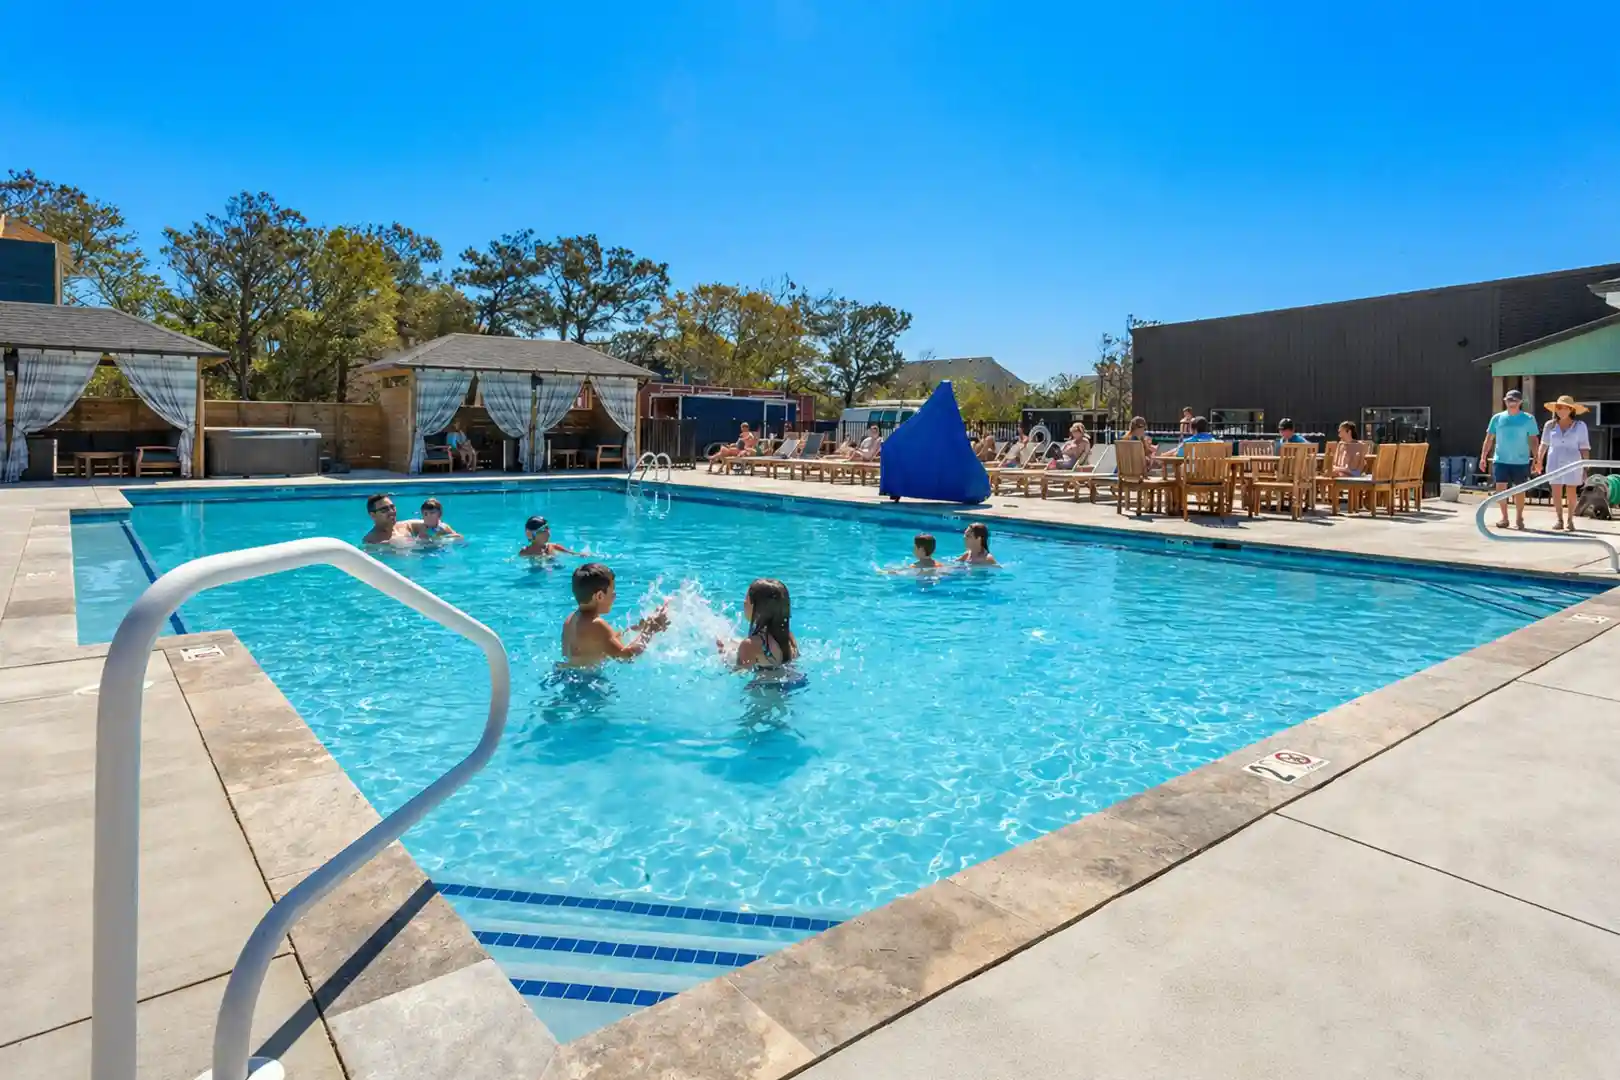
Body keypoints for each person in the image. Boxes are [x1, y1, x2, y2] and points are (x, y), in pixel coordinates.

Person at [560, 563, 669, 666]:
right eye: (612, 592)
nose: (614, 596)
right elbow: (626, 657)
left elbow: (604, 640)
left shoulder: (571, 619)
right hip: (586, 681)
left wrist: (638, 628)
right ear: (599, 596)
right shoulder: (597, 624)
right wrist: (650, 630)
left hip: (566, 675)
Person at [1480, 389, 1540, 531]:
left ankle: (1519, 517)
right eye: (1509, 400)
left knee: (1520, 489)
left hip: (1521, 460)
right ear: (1505, 401)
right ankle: (1504, 517)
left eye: (1514, 400)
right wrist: (1483, 456)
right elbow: (1489, 438)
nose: (1511, 403)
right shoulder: (1497, 418)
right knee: (1501, 489)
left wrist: (1536, 457)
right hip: (1501, 459)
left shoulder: (1528, 419)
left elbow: (1533, 439)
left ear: (1520, 402)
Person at [1538, 395, 1592, 533]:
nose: (1561, 410)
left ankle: (1570, 520)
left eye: (1565, 408)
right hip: (1554, 459)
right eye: (1559, 408)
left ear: (1571, 410)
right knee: (1555, 490)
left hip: (1573, 460)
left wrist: (1586, 465)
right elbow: (1544, 444)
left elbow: (1584, 447)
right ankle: (1559, 519)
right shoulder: (1550, 425)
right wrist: (1538, 460)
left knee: (1571, 490)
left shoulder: (1580, 426)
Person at [720, 578, 799, 670]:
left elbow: (738, 673)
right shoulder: (788, 636)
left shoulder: (749, 645)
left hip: (765, 684)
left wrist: (724, 655)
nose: (744, 604)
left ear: (757, 609)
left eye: (746, 602)